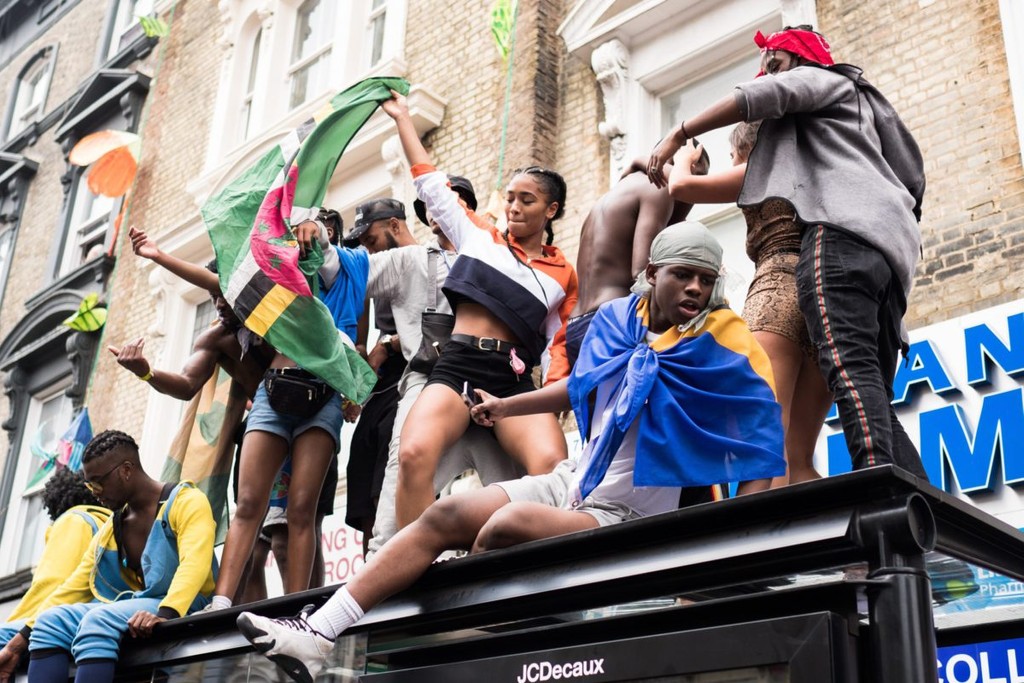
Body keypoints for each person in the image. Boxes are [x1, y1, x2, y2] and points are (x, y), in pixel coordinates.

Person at [235, 221, 786, 683]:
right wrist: (507, 407)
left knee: (506, 524)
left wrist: (741, 535)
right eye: (682, 275)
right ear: (653, 275)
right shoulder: (621, 322)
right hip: (575, 481)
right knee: (444, 513)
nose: (694, 288)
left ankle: (487, 640)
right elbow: (581, 386)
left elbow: (762, 439)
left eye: (705, 280)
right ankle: (320, 632)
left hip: (625, 516)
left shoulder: (719, 343)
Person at [647, 26, 929, 479]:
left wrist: (678, 138)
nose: (764, 77)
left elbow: (688, 178)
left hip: (785, 288)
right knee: (816, 438)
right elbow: (912, 177)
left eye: (773, 67)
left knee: (762, 442)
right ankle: (908, 493)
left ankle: (767, 538)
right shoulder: (850, 136)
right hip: (882, 265)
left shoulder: (818, 92)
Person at [380, 91, 575, 530]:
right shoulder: (480, 237)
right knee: (413, 453)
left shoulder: (563, 273)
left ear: (552, 209)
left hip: (513, 379)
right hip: (459, 363)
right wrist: (402, 119)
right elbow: (430, 182)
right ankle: (416, 568)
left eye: (527, 200)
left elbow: (558, 346)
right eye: (510, 197)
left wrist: (557, 395)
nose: (514, 207)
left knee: (553, 466)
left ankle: (539, 573)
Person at [363, 176, 526, 556]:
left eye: (450, 204)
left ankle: (521, 563)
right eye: (431, 208)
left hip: (493, 378)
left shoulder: (503, 259)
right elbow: (352, 273)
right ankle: (388, 556)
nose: (439, 212)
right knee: (405, 453)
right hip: (433, 374)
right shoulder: (413, 260)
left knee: (514, 479)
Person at [668, 123, 832, 485]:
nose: (731, 162)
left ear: (747, 148)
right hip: (824, 301)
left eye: (732, 155)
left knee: (763, 445)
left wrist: (683, 156)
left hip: (775, 292)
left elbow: (679, 185)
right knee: (800, 458)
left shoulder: (763, 167)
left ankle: (762, 541)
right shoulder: (815, 171)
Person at [0, 431, 216, 683]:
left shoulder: (186, 501)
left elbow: (194, 564)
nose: (94, 492)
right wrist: (19, 642)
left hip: (186, 602)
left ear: (126, 470)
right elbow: (71, 589)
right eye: (89, 484)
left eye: (98, 482)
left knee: (98, 619)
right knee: (49, 622)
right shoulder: (111, 529)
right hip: (141, 604)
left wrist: (166, 613)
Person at [567, 153, 708, 367]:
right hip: (614, 323)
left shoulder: (615, 195)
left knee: (601, 401)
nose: (696, 189)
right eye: (696, 175)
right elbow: (642, 273)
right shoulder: (657, 188)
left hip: (578, 324)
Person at [337, 199, 415, 547]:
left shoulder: (424, 260)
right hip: (383, 382)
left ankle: (396, 555)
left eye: (371, 241)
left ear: (395, 227)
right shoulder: (377, 271)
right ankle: (371, 565)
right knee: (363, 465)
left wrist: (388, 346)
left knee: (391, 464)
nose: (369, 251)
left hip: (417, 374)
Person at [0, 468, 110, 661]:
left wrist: (14, 625)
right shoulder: (108, 522)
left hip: (67, 620)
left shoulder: (74, 520)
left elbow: (51, 584)